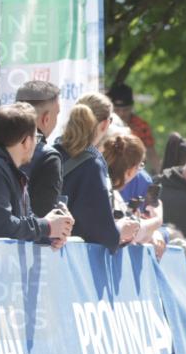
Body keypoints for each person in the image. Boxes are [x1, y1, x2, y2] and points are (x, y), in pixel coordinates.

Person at [0, 103, 73, 246]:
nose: (37, 142)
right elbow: (0, 227)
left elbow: (20, 222)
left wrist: (53, 231)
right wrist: (46, 226)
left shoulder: (3, 167)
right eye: (36, 136)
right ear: (26, 141)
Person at [55, 93, 140, 251]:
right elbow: (99, 227)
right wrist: (120, 230)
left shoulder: (51, 153)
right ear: (105, 124)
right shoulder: (93, 164)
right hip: (78, 260)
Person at [101, 132, 164, 248]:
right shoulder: (105, 190)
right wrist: (157, 220)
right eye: (140, 166)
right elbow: (132, 233)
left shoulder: (106, 188)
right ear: (130, 170)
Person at [15, 80, 63, 217]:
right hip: (26, 235)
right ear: (46, 119)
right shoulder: (48, 157)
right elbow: (47, 220)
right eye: (57, 114)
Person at [108, 83, 157, 172]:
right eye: (117, 110)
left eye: (125, 110)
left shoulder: (142, 126)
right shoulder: (104, 125)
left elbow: (151, 153)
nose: (121, 114)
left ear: (131, 107)